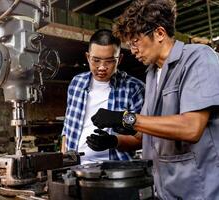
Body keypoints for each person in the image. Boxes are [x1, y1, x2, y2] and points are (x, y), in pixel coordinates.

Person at [86, 0, 219, 199]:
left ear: (159, 33)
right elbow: (145, 136)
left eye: (135, 42)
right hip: (164, 189)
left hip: (197, 188)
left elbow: (191, 127)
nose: (132, 50)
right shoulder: (152, 74)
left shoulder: (199, 58)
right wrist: (114, 140)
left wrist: (125, 118)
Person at [61, 29, 145, 164]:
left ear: (120, 59)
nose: (101, 67)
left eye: (109, 61)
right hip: (75, 170)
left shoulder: (134, 88)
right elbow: (67, 127)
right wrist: (63, 158)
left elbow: (144, 139)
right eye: (96, 60)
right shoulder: (76, 83)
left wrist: (113, 142)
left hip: (116, 171)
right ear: (88, 57)